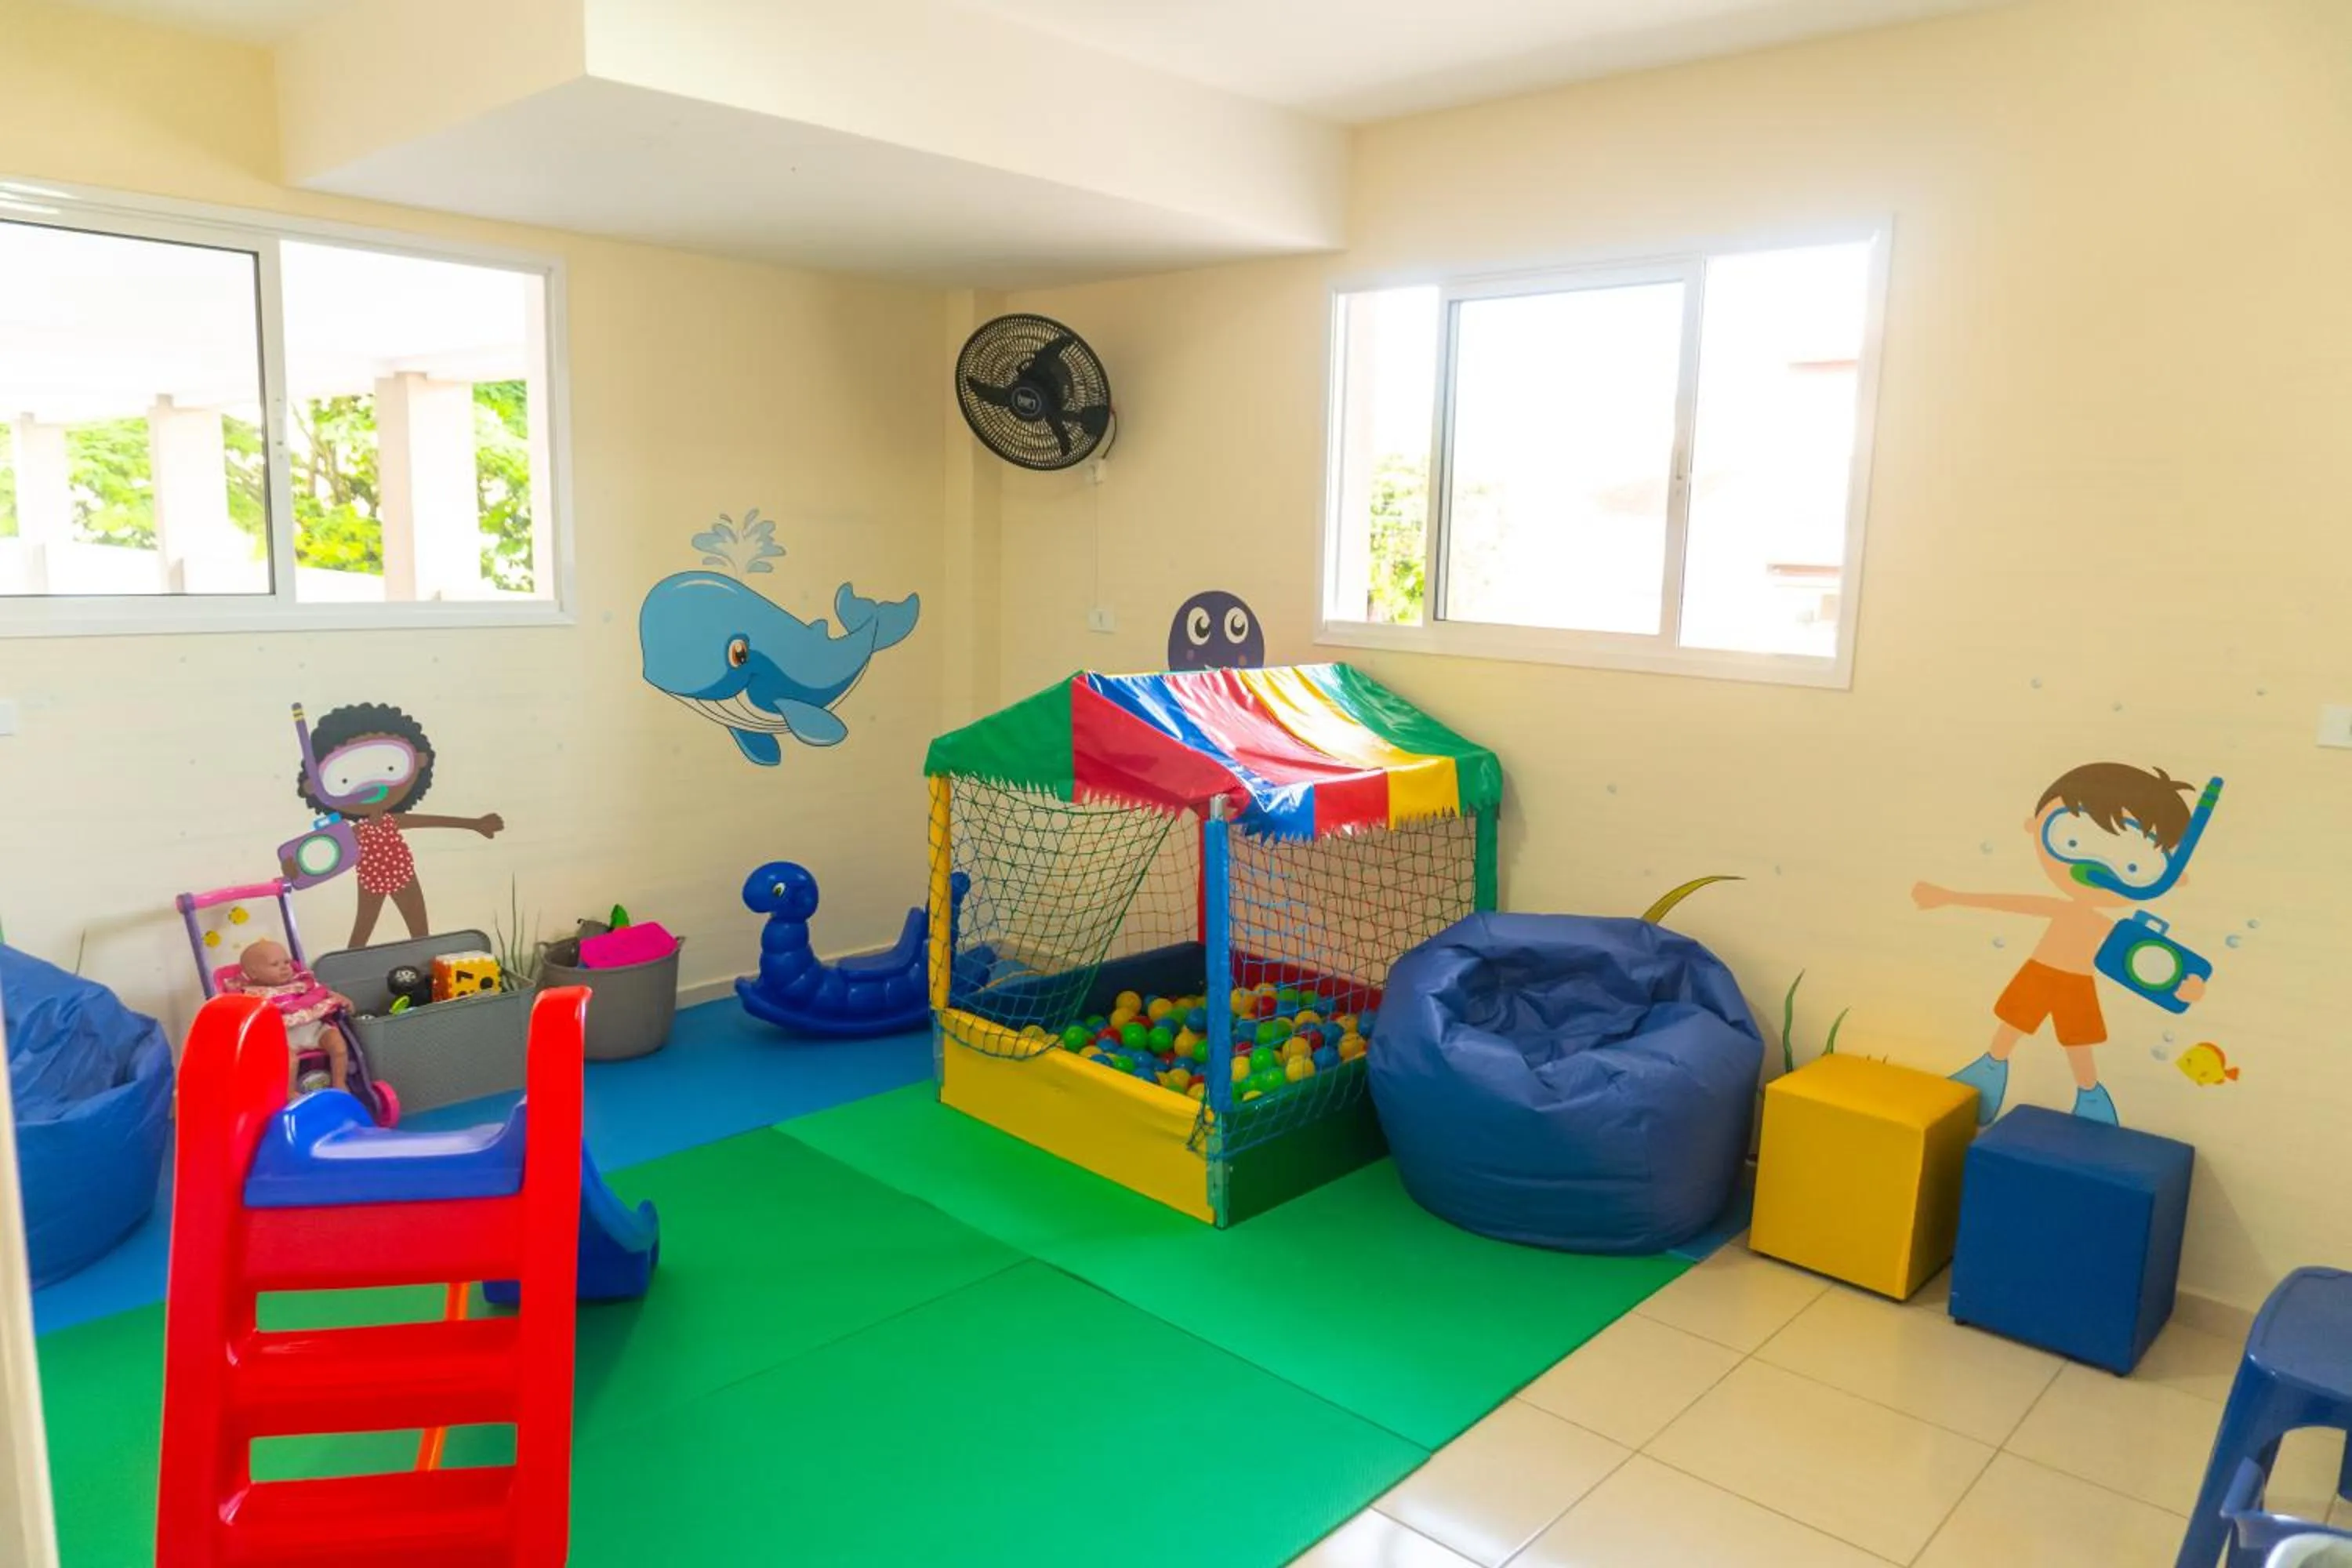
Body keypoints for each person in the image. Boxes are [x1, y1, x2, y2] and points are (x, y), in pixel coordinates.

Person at [1913, 762, 2209, 1127]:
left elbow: (2150, 968)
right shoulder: (2066, 911)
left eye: (2134, 866)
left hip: (2076, 983)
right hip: (2040, 972)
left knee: (2077, 1041)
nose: (2094, 869)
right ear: (2034, 827)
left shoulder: (2113, 928)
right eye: (2072, 841)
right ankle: (1991, 1068)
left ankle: (2089, 1094)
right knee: (2013, 1024)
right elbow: (2018, 904)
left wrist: (2185, 989)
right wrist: (1952, 897)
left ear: (2170, 879)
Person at [285, 703, 504, 947]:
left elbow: (430, 821)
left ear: (419, 761)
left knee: (419, 929)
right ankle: (348, 967)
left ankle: (426, 965)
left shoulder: (390, 821)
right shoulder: (352, 833)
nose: (370, 786)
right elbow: (327, 858)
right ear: (316, 788)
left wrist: (475, 824)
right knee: (362, 930)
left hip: (403, 874)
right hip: (371, 879)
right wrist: (296, 872)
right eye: (343, 780)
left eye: (392, 767)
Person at [223, 939, 354, 1092]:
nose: (285, 968)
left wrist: (340, 999)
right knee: (289, 1061)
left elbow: (320, 992)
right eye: (275, 964)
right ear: (253, 973)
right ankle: (289, 1093)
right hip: (280, 1037)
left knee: (338, 1046)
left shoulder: (300, 981)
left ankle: (340, 1083)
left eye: (286, 962)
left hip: (312, 1028)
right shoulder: (251, 994)